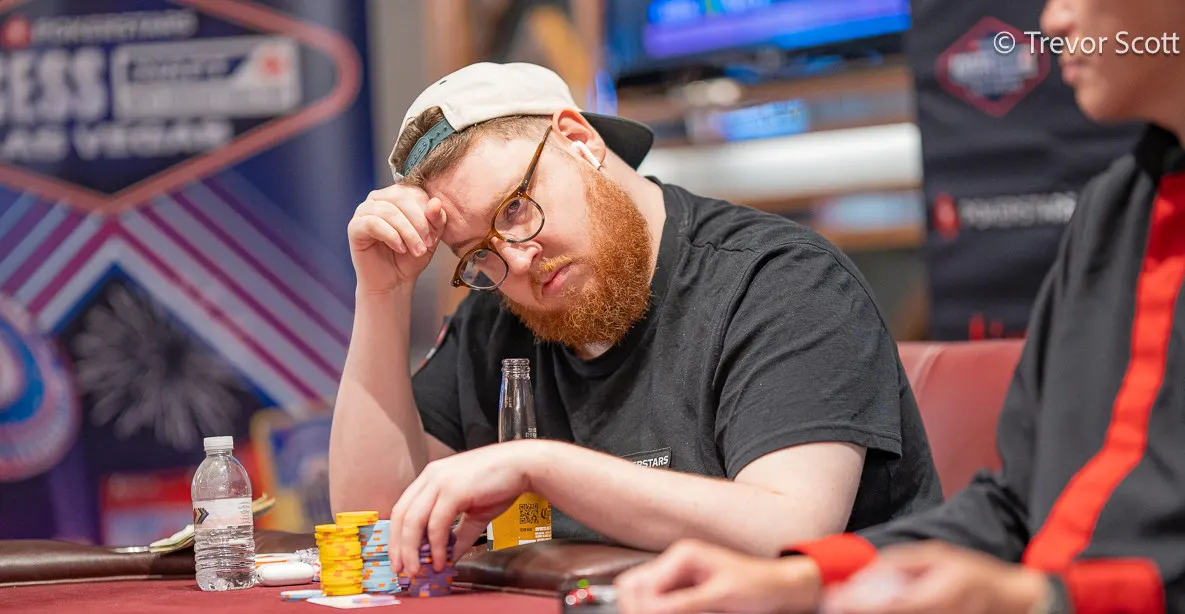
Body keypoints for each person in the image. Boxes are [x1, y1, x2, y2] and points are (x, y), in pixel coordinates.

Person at [616, 0, 1185, 614]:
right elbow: (1013, 508)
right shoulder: (1114, 211)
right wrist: (795, 581)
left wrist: (1042, 609)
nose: (1053, 21)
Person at [329, 62, 942, 577]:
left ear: (579, 140)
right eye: (478, 255)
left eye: (515, 208)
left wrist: (540, 467)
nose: (516, 260)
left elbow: (790, 531)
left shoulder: (781, 279)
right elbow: (374, 527)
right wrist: (382, 294)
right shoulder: (496, 320)